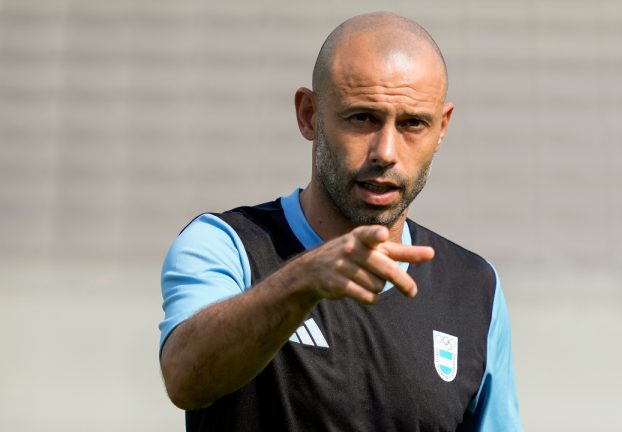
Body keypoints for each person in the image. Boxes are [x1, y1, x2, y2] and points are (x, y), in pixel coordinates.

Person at [159, 11, 523, 431]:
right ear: (309, 114)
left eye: (412, 124)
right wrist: (304, 280)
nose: (385, 151)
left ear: (441, 128)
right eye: (362, 118)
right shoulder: (226, 245)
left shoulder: (475, 288)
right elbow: (184, 378)